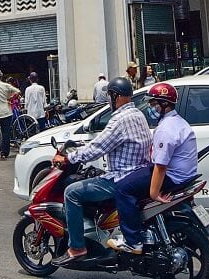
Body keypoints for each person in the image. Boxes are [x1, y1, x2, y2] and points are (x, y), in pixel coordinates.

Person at [51, 76, 152, 267]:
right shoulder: (137, 114)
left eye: (110, 96)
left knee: (71, 192)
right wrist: (81, 147)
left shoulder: (120, 119)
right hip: (138, 174)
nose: (108, 100)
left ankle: (77, 248)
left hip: (121, 177)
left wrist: (67, 158)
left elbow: (97, 147)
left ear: (116, 96)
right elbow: (102, 142)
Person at [106, 81, 198, 254]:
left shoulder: (166, 129)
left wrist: (154, 194)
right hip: (184, 175)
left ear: (164, 104)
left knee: (123, 188)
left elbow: (161, 166)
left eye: (153, 104)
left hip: (172, 176)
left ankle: (132, 241)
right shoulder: (178, 122)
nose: (150, 108)